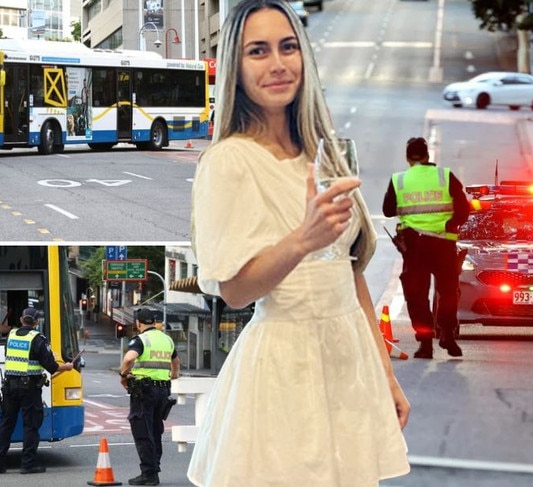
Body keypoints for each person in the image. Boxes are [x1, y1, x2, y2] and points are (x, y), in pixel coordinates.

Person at [188, 1, 410, 485]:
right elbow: (235, 291)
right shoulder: (228, 162)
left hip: (347, 362)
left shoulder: (322, 150)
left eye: (288, 47)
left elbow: (351, 274)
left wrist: (384, 374)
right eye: (258, 51)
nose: (277, 64)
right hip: (285, 368)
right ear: (236, 67)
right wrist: (302, 240)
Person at [382, 137, 470, 359]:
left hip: (414, 247)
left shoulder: (399, 180)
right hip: (443, 244)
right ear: (427, 156)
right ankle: (447, 334)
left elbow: (388, 210)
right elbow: (463, 210)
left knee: (416, 295)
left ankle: (425, 344)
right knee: (448, 292)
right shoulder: (445, 176)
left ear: (407, 157)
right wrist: (449, 224)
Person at [0, 308, 74, 474]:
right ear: (36, 322)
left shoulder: (11, 336)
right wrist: (67, 367)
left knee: (6, 424)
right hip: (29, 389)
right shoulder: (38, 339)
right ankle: (28, 464)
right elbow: (52, 367)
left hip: (9, 387)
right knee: (31, 425)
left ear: (22, 319)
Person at [119, 307, 180, 486]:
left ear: (138, 323)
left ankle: (149, 474)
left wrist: (123, 374)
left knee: (142, 431)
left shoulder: (140, 340)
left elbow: (129, 359)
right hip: (163, 391)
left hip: (144, 392)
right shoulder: (166, 339)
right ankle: (154, 467)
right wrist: (174, 374)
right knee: (155, 430)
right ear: (154, 322)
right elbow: (176, 361)